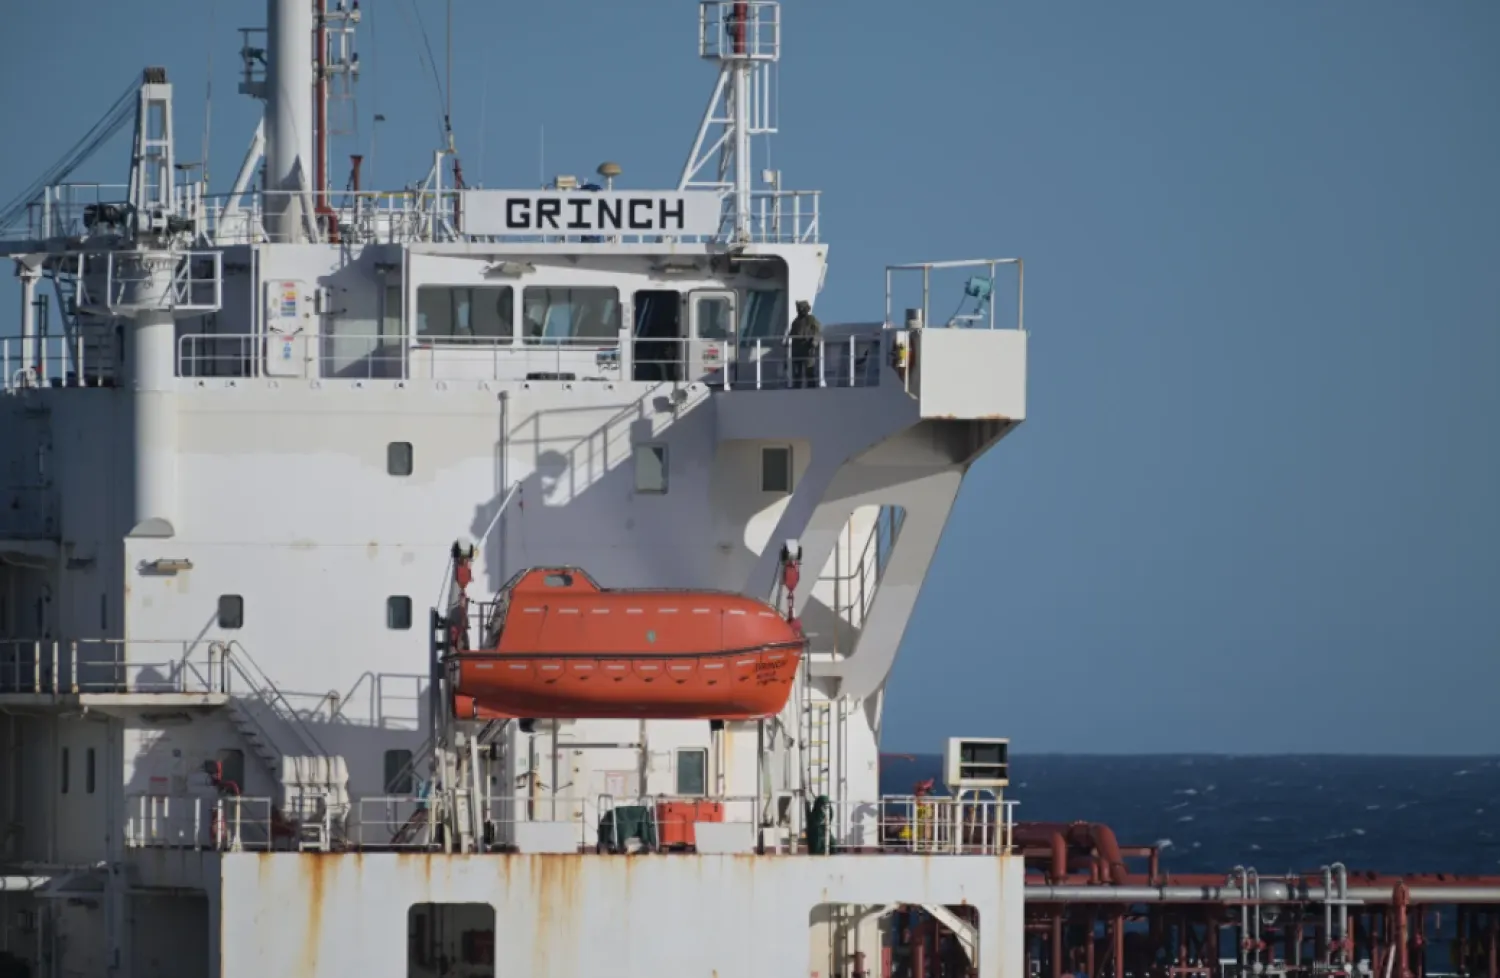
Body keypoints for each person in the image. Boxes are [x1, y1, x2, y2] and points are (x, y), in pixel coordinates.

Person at [788, 299, 821, 388]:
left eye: (800, 308)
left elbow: (817, 330)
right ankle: (797, 386)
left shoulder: (811, 319)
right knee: (797, 370)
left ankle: (811, 386)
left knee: (809, 369)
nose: (799, 310)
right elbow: (792, 334)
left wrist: (814, 341)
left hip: (807, 347)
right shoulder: (796, 321)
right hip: (797, 348)